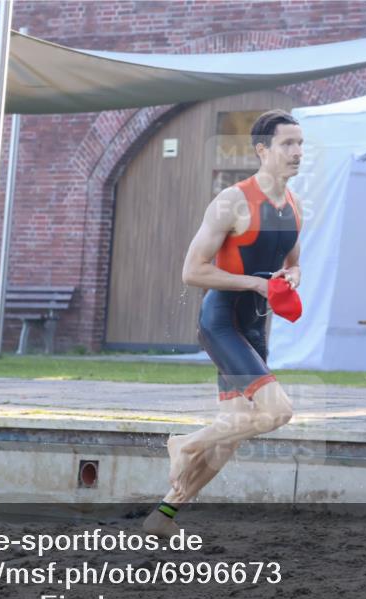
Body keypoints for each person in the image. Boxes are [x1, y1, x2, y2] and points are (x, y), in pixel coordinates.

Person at [144, 109, 304, 538]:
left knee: (230, 437)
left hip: (254, 327)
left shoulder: (293, 206)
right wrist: (254, 282)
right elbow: (192, 271)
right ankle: (185, 443)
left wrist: (291, 278)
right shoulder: (232, 201)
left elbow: (292, 263)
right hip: (222, 322)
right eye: (288, 144)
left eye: (301, 144)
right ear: (262, 150)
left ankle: (163, 517)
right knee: (278, 412)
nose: (297, 152)